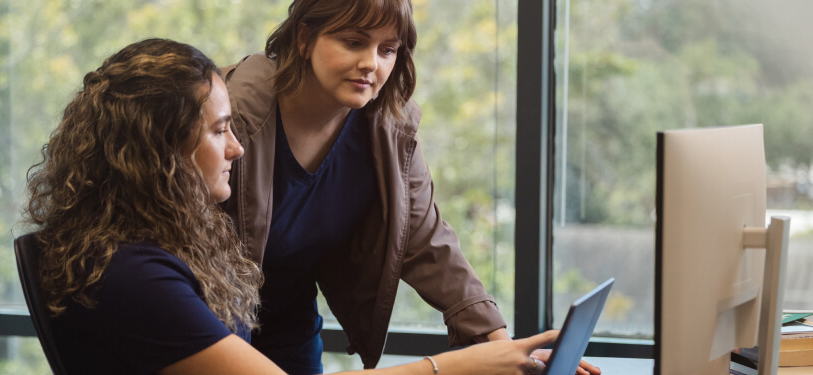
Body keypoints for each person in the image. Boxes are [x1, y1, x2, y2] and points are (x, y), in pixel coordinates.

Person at [24, 37, 561, 375]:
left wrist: (496, 346)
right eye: (219, 131)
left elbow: (425, 236)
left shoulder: (164, 248)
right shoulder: (136, 273)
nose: (236, 146)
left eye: (389, 48)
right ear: (158, 150)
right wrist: (461, 366)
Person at [222, 1, 601, 374]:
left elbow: (428, 241)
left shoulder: (386, 128)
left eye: (387, 50)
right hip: (212, 312)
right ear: (304, 38)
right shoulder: (230, 116)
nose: (372, 63)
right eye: (354, 42)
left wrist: (506, 350)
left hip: (290, 316)